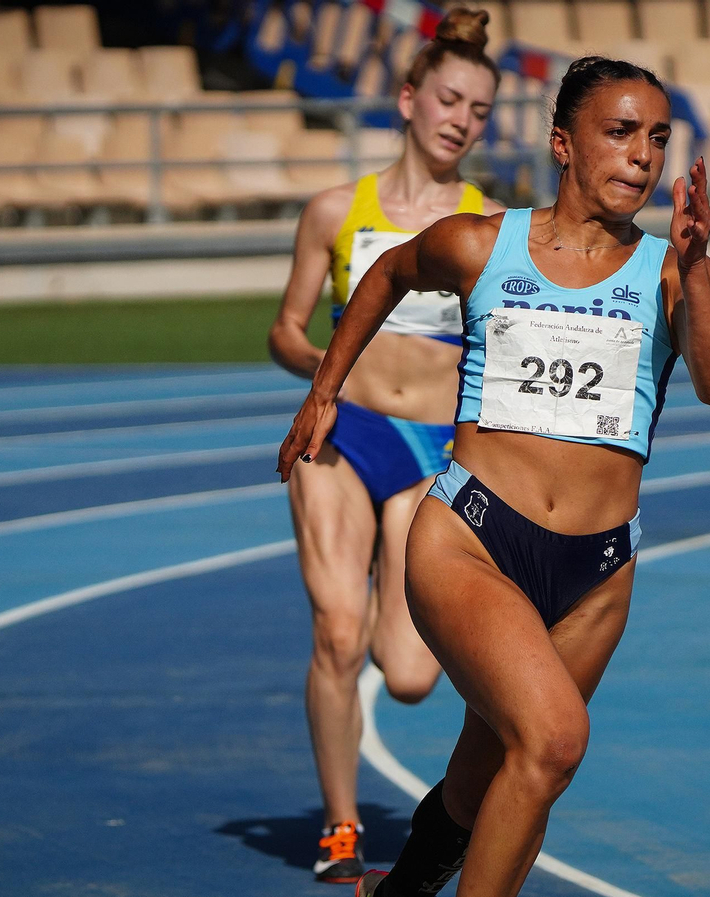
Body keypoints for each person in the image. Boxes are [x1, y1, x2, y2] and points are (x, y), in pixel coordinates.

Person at [277, 55, 710, 897]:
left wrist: (701, 267)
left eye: (659, 138)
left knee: (487, 772)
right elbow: (384, 275)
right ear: (563, 143)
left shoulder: (670, 271)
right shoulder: (481, 243)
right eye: (620, 132)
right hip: (473, 541)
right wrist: (324, 390)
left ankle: (401, 887)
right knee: (555, 739)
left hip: (596, 573)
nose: (643, 154)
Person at [265, 8, 504, 884]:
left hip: (430, 451)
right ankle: (339, 826)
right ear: (408, 99)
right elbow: (285, 330)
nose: (461, 120)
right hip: (343, 434)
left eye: (479, 111)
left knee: (405, 672)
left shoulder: (491, 227)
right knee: (337, 633)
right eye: (448, 99)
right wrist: (324, 368)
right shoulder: (337, 211)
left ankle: (368, 593)